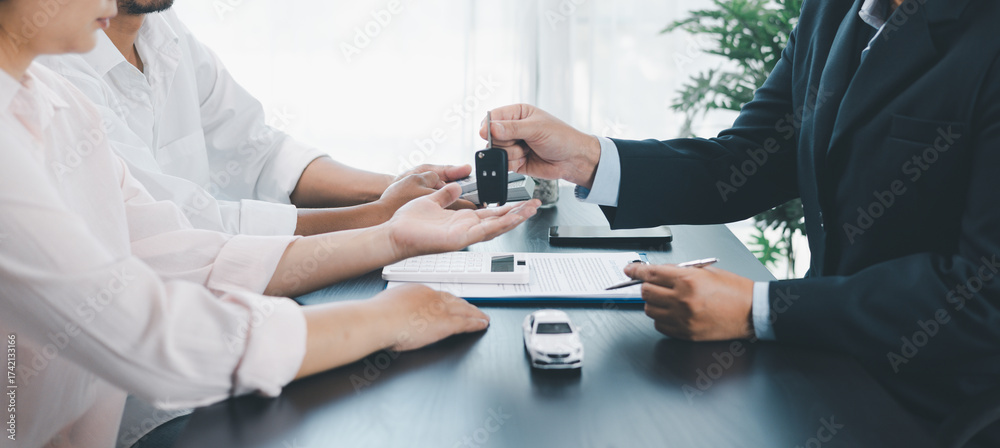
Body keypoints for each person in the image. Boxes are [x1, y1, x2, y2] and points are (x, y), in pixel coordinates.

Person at [0, 0, 540, 446]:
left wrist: (390, 234)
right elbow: (153, 338)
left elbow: (182, 250)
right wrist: (385, 318)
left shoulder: (59, 105)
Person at [481, 0, 1000, 439]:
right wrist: (586, 157)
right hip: (824, 373)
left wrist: (759, 307)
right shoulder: (833, 9)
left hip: (940, 409)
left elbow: (983, 299)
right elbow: (747, 162)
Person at [37, 0, 476, 238]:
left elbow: (260, 153)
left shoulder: (165, 31)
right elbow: (176, 227)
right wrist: (378, 216)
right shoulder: (53, 71)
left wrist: (396, 188)